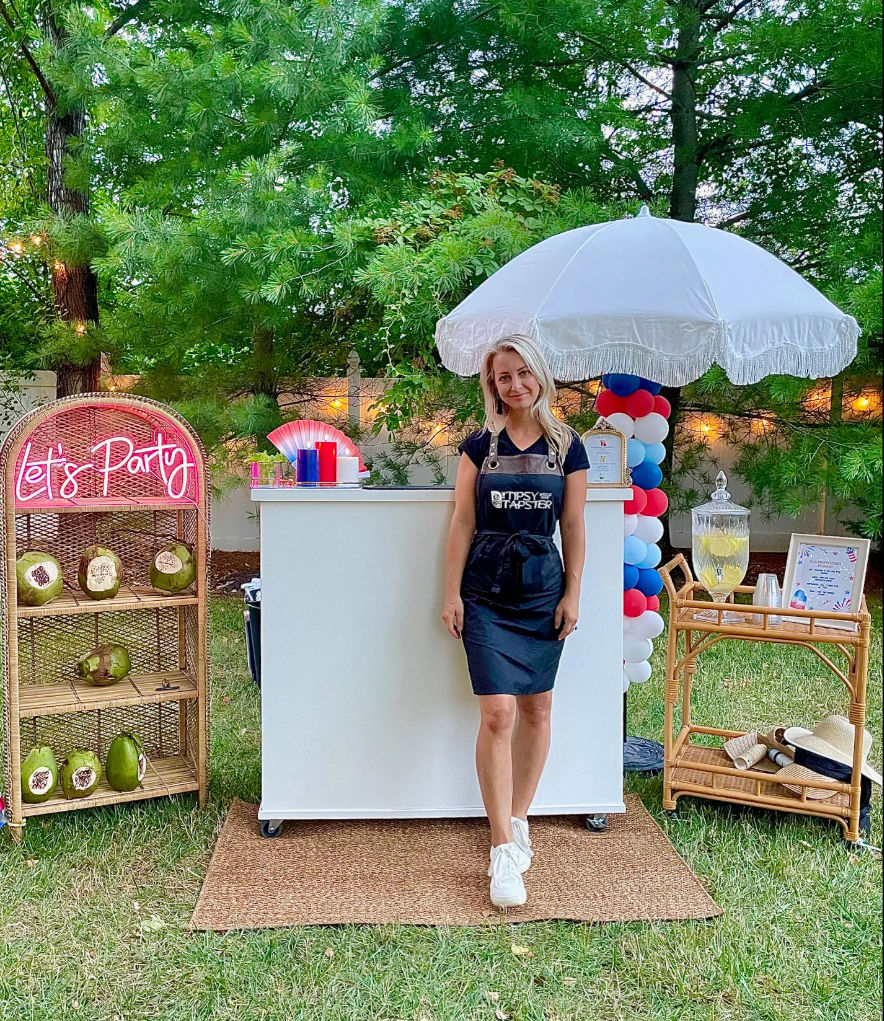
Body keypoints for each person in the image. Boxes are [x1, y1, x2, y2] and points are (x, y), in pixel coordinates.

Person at [442, 335, 589, 908]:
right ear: (492, 385)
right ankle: (502, 847)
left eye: (524, 373)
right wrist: (451, 592)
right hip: (485, 591)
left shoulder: (567, 447)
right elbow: (460, 522)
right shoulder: (480, 445)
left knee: (538, 708)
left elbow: (574, 525)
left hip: (541, 591)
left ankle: (519, 817)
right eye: (504, 376)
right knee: (498, 712)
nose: (515, 385)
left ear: (541, 377)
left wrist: (573, 592)